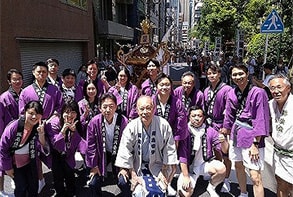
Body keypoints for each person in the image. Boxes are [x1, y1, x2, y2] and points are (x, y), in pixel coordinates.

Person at [222, 64, 270, 197]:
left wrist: (256, 143)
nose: (238, 77)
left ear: (247, 74)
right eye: (235, 75)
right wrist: (225, 132)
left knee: (255, 176)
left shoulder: (258, 92)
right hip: (236, 135)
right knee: (238, 166)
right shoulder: (232, 92)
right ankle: (243, 193)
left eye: (241, 74)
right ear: (231, 77)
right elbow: (229, 116)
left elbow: (261, 117)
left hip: (252, 136)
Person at [115, 95, 178, 196]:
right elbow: (125, 150)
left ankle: (166, 187)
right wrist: (133, 173)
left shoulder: (163, 124)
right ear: (137, 110)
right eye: (142, 109)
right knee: (134, 188)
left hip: (158, 164)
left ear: (153, 109)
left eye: (148, 108)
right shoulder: (131, 126)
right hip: (136, 165)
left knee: (159, 190)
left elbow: (169, 148)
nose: (145, 112)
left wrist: (164, 170)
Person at [18, 61, 63, 193]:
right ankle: (39, 178)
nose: (42, 74)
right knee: (33, 155)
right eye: (39, 71)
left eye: (44, 72)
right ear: (33, 73)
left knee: (54, 153)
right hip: (32, 127)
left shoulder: (54, 89)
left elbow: (59, 107)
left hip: (49, 125)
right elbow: (22, 112)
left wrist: (51, 119)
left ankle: (58, 179)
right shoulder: (26, 92)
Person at [0, 101, 49, 197]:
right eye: (31, 113)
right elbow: (3, 147)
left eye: (37, 114)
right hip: (15, 162)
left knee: (33, 186)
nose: (34, 117)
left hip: (31, 160)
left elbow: (42, 147)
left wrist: (41, 134)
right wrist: (7, 168)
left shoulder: (39, 127)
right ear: (25, 112)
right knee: (21, 187)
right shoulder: (14, 126)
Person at [177, 106, 226, 197]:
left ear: (203, 118)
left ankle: (211, 187)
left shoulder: (210, 131)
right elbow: (182, 156)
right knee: (186, 194)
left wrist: (223, 142)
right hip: (188, 167)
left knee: (221, 169)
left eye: (199, 116)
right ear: (189, 117)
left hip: (203, 164)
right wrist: (186, 176)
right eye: (194, 115)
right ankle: (187, 178)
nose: (197, 118)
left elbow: (224, 150)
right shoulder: (184, 131)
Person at [86, 93, 128, 196]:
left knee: (124, 182)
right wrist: (94, 166)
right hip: (101, 154)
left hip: (119, 155)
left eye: (111, 106)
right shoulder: (94, 122)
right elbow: (91, 146)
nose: (108, 110)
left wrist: (124, 167)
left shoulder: (123, 121)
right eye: (104, 107)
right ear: (100, 108)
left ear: (116, 107)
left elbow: (128, 146)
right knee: (93, 183)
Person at [153, 73, 189, 195]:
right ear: (156, 86)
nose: (164, 87)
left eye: (167, 84)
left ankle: (167, 183)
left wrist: (176, 138)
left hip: (171, 137)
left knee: (170, 162)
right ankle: (158, 182)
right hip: (154, 135)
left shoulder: (177, 102)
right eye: (161, 84)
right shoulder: (151, 101)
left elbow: (181, 120)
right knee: (155, 161)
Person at [47, 101, 86, 196]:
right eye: (66, 112)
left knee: (70, 174)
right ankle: (60, 192)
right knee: (58, 176)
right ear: (62, 112)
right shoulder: (54, 122)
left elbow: (81, 144)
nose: (69, 115)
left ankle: (71, 191)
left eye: (73, 112)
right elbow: (55, 144)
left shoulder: (77, 123)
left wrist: (73, 132)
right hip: (56, 153)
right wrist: (63, 131)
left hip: (69, 154)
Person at [203, 64, 232, 192]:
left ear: (219, 74)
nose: (211, 76)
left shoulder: (227, 89)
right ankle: (218, 174)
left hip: (221, 124)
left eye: (214, 73)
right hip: (210, 124)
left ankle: (226, 179)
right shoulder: (206, 90)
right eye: (209, 73)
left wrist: (226, 126)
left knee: (226, 153)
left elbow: (229, 110)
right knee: (215, 152)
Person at [268, 74, 293, 197]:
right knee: (280, 182)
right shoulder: (270, 105)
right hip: (278, 153)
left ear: (288, 88)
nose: (275, 91)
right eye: (272, 88)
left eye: (279, 87)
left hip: (292, 154)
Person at [0, 69, 24, 196]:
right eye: (14, 79)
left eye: (19, 79)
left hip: (23, 134)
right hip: (9, 135)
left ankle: (19, 182)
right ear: (9, 81)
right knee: (5, 162)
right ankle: (2, 190)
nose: (17, 81)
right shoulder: (3, 98)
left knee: (21, 160)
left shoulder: (24, 94)